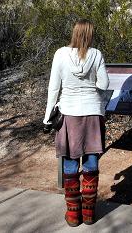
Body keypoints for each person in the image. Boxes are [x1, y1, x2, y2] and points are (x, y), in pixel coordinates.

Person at [43, 19, 109, 227]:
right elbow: (104, 84)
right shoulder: (96, 54)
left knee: (70, 162)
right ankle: (89, 214)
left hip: (69, 113)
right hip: (92, 112)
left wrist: (47, 117)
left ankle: (73, 215)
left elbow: (54, 88)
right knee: (91, 161)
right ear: (90, 35)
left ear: (74, 33)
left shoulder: (60, 54)